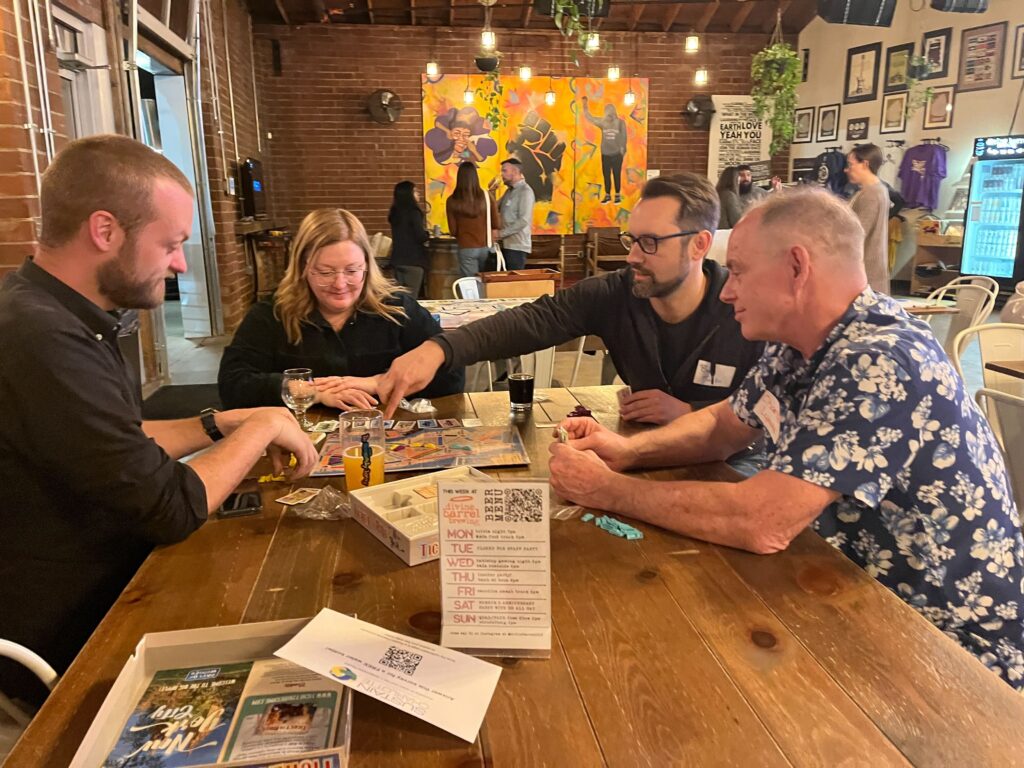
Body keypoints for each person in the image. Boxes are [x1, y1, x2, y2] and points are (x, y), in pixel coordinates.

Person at [548, 189, 1024, 690]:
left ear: (797, 267)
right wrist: (626, 451)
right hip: (844, 591)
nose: (727, 291)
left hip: (947, 654)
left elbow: (763, 521)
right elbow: (723, 425)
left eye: (740, 271)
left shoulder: (879, 358)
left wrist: (606, 490)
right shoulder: (802, 342)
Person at [0, 135, 319, 706]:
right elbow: (170, 508)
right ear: (105, 231)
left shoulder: (55, 311)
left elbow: (119, 440)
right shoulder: (42, 337)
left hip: (106, 591)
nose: (177, 263)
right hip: (69, 642)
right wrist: (264, 426)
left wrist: (223, 422)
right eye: (170, 244)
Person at [378, 173, 764, 432]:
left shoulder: (746, 307)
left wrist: (690, 414)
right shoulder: (618, 292)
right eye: (632, 240)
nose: (632, 257)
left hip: (730, 463)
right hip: (646, 451)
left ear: (699, 244)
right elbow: (533, 320)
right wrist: (438, 349)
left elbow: (777, 420)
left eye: (651, 242)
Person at [218, 208, 463, 410]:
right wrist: (311, 391)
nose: (339, 284)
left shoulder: (397, 308)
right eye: (325, 272)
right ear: (302, 267)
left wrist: (379, 383)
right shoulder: (271, 314)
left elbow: (452, 375)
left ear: (367, 266)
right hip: (299, 445)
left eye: (352, 271)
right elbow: (232, 385)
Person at [846, 143, 890, 294]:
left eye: (851, 164)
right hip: (867, 270)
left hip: (866, 272)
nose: (848, 169)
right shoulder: (874, 190)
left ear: (865, 164)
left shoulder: (872, 194)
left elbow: (858, 233)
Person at [446, 162, 500, 277]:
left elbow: (453, 231)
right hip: (486, 247)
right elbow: (496, 222)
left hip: (466, 247)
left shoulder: (452, 200)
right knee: (486, 283)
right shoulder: (487, 196)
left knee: (471, 284)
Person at [387, 180, 430, 297]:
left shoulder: (395, 213)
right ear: (408, 194)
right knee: (411, 298)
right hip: (413, 261)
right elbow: (420, 236)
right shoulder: (414, 212)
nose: (418, 193)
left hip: (397, 260)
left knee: (399, 297)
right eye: (415, 191)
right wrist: (428, 235)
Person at [582, 96, 628, 204]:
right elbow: (590, 117)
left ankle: (617, 195)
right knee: (606, 174)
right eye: (607, 111)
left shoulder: (620, 123)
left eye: (610, 110)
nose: (609, 113)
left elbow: (624, 137)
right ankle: (607, 195)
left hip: (617, 154)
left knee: (616, 174)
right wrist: (585, 105)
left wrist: (622, 150)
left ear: (614, 111)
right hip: (605, 153)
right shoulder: (603, 122)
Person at [496, 157, 536, 271]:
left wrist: (500, 234)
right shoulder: (509, 191)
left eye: (504, 171)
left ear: (515, 171)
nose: (502, 174)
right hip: (506, 244)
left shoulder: (525, 191)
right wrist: (492, 191)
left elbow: (523, 221)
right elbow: (494, 208)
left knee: (513, 283)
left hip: (517, 247)